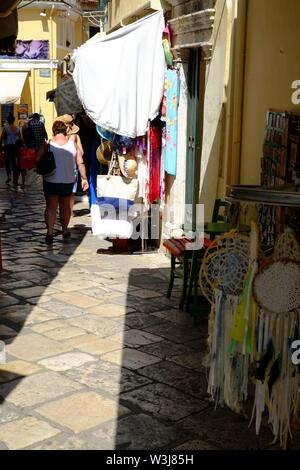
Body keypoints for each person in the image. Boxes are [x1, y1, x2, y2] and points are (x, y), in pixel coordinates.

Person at [36, 119, 89, 244]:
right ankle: (65, 230)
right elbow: (80, 162)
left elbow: (37, 160)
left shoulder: (47, 145)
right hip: (67, 180)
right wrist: (84, 178)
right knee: (65, 207)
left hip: (50, 180)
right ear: (65, 131)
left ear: (53, 132)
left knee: (51, 207)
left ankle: (49, 232)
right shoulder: (72, 144)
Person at [0, 114, 21, 186]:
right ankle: (15, 178)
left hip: (7, 147)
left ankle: (9, 176)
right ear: (14, 120)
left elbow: (2, 138)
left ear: (8, 121)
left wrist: (0, 146)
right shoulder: (17, 128)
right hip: (15, 147)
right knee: (14, 162)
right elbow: (20, 138)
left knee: (7, 162)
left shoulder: (5, 128)